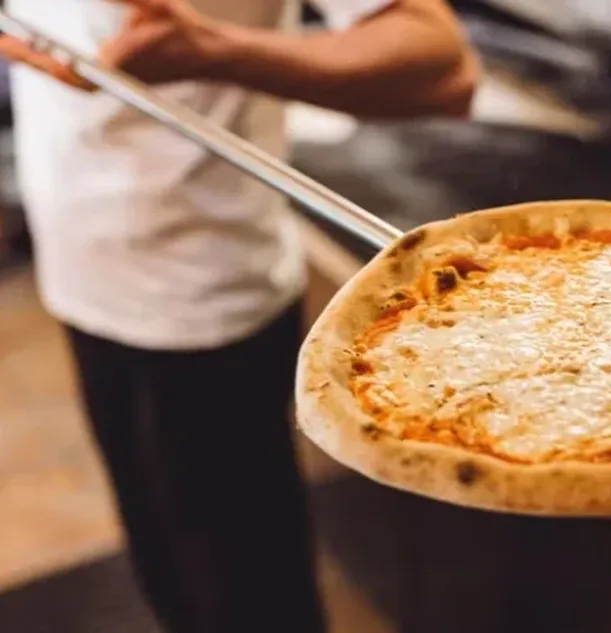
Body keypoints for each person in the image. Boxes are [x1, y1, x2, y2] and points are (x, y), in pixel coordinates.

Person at [0, 1, 478, 632]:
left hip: (203, 302)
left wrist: (215, 52)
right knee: (166, 572)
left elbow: (440, 63)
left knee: (245, 601)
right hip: (80, 269)